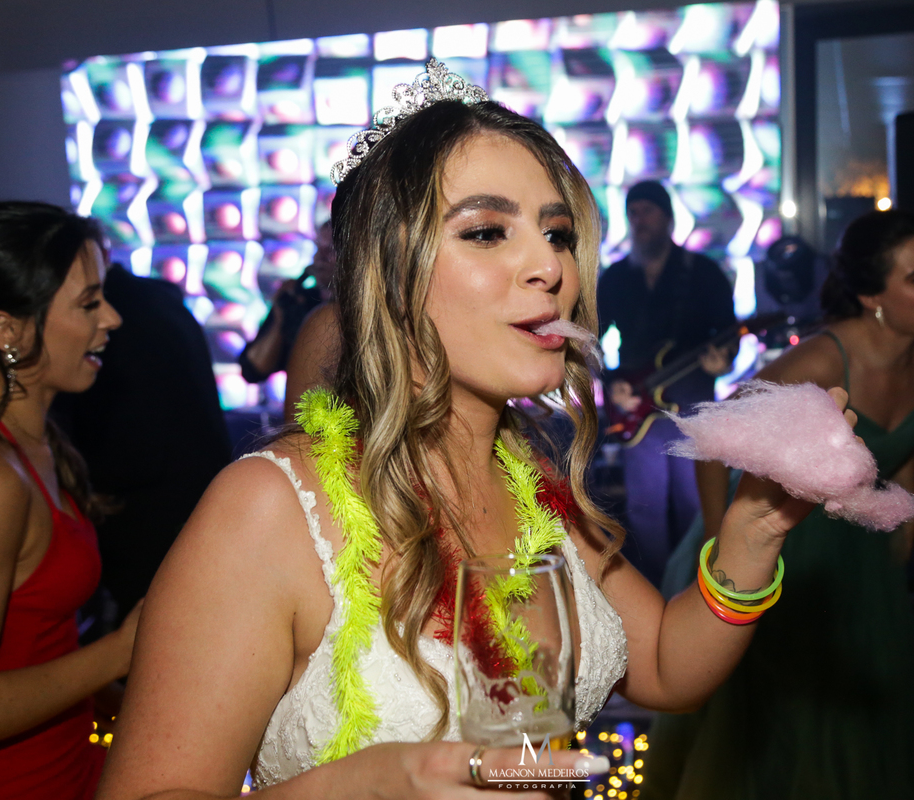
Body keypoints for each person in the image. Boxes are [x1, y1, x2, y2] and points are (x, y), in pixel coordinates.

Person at [96, 61, 853, 800]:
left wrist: (752, 533)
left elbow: (661, 665)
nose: (549, 266)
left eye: (558, 234)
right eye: (488, 231)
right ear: (391, 273)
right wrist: (366, 786)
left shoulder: (532, 480)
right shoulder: (269, 508)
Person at [645, 209, 914, 800]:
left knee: (865, 731)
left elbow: (903, 443)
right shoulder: (822, 362)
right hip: (789, 548)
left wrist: (906, 520)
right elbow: (713, 439)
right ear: (872, 297)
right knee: (783, 727)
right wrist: (721, 542)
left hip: (862, 558)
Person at [0, 202, 142, 798]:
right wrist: (119, 652)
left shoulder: (34, 441)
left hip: (69, 769)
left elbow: (33, 652)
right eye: (88, 304)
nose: (112, 318)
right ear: (6, 329)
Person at [52, 261, 233, 618]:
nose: (110, 319)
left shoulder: (131, 312)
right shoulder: (155, 299)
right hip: (189, 497)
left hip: (149, 509)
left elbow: (134, 437)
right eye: (88, 304)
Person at [597, 180, 737, 584]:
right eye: (633, 212)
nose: (639, 220)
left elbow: (728, 333)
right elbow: (591, 339)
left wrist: (722, 360)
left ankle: (696, 586)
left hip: (693, 405)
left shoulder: (702, 273)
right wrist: (611, 382)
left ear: (669, 217)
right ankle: (658, 590)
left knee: (697, 503)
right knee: (645, 509)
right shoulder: (616, 277)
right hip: (639, 408)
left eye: (648, 211)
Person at [238, 223, 337, 384]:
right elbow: (254, 370)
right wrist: (281, 318)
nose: (320, 257)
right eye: (318, 248)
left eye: (331, 249)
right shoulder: (299, 302)